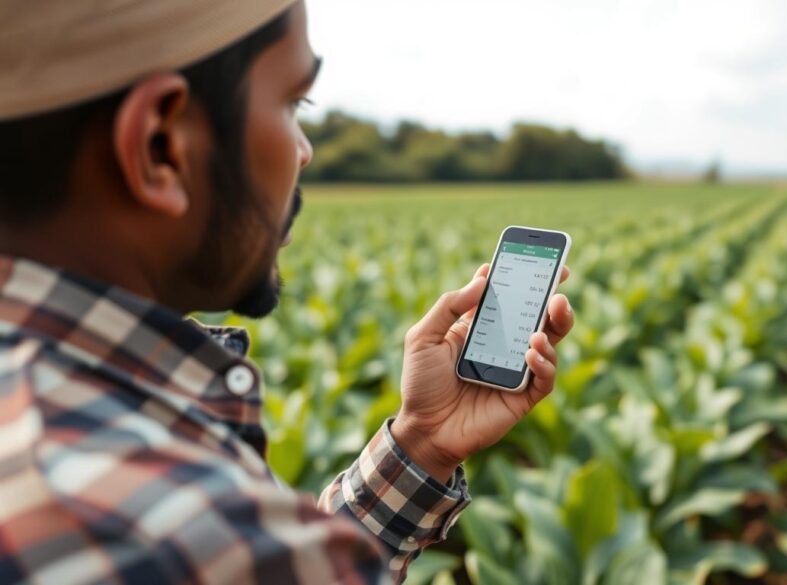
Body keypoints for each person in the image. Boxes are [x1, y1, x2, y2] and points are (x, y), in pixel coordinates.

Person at [0, 1, 574, 583]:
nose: (305, 150)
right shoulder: (167, 530)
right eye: (293, 102)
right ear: (159, 146)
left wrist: (422, 444)